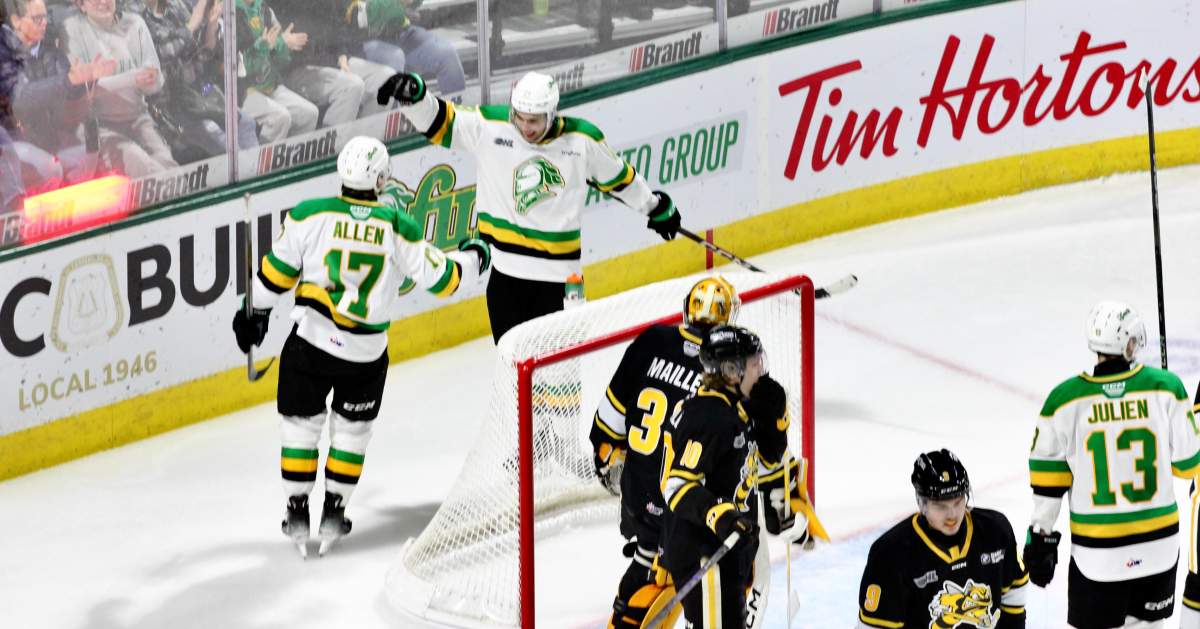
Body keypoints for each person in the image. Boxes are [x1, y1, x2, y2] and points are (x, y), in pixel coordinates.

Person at [231, 135, 491, 556]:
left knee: (301, 426)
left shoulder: (308, 215)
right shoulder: (397, 226)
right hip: (365, 355)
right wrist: (476, 255)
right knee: (351, 433)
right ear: (380, 178)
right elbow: (444, 280)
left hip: (311, 343)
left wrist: (252, 313)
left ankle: (297, 510)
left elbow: (272, 277)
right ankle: (334, 511)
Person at [379, 70, 683, 343]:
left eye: (534, 120)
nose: (525, 127)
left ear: (551, 114)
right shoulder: (492, 126)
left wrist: (655, 207)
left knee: (558, 384)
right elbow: (442, 123)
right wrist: (417, 98)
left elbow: (622, 180)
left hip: (560, 284)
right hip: (505, 279)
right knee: (513, 378)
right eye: (520, 117)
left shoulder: (581, 140)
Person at [589, 276, 767, 628]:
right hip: (688, 510)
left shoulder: (652, 340)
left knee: (647, 571)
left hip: (639, 500)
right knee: (718, 587)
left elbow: (606, 427)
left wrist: (610, 460)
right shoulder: (723, 370)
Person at [1024, 300, 1200, 629]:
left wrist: (1041, 539)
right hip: (1159, 549)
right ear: (1131, 343)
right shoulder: (1165, 388)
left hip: (1099, 556)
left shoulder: (1064, 400)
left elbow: (1049, 485)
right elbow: (1188, 466)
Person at [659, 324, 825, 629]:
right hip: (703, 552)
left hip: (728, 550)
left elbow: (759, 464)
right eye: (753, 364)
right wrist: (721, 516)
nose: (760, 370)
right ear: (732, 370)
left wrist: (774, 426)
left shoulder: (737, 407)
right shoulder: (708, 415)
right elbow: (677, 486)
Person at [855, 449, 1028, 628]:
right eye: (940, 506)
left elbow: (1014, 593)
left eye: (958, 502)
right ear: (922, 504)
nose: (952, 515)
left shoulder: (995, 531)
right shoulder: (890, 554)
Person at [62, 0, 180, 177]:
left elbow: (155, 84)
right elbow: (83, 86)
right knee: (143, 166)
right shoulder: (71, 29)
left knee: (171, 168)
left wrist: (151, 80)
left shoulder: (135, 23)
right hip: (99, 126)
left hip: (139, 118)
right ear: (81, 5)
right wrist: (132, 78)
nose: (103, 2)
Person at [133, 0, 258, 160]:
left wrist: (211, 27)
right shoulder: (135, 15)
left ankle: (257, 172)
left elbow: (204, 53)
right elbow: (159, 55)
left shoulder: (176, 6)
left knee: (246, 123)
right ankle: (246, 172)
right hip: (169, 106)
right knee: (213, 132)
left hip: (198, 94)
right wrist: (191, 25)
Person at [4, 0, 108, 192]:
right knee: (50, 168)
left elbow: (69, 89)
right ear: (16, 20)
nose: (44, 23)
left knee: (100, 157)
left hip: (52, 140)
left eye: (45, 17)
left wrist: (89, 78)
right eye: (37, 18)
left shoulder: (50, 52)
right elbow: (20, 99)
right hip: (12, 143)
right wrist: (69, 81)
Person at [346, 0, 466, 99]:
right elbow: (358, 15)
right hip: (364, 39)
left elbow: (413, 4)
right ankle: (393, 123)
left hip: (402, 32)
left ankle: (453, 119)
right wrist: (398, 4)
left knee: (446, 54)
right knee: (395, 59)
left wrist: (411, 2)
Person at [235, 0, 318, 142]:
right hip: (242, 93)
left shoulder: (265, 10)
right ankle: (258, 162)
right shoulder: (229, 13)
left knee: (309, 113)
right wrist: (264, 46)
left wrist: (283, 46)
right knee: (280, 117)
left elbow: (282, 62)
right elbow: (239, 68)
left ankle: (292, 161)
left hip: (270, 86)